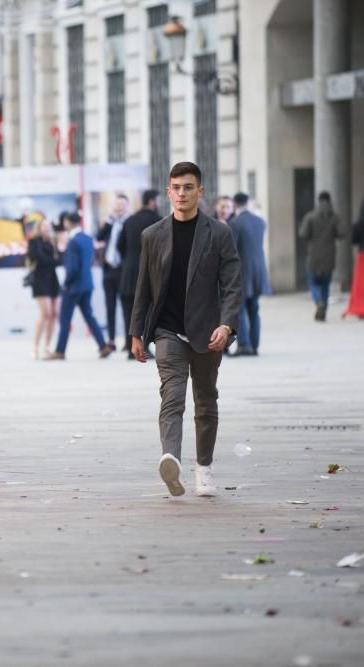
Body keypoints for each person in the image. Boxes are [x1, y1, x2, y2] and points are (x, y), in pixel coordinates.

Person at [130, 162, 242, 497]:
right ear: (168, 192)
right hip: (167, 330)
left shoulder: (219, 233)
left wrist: (227, 324)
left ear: (200, 192)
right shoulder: (152, 235)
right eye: (176, 188)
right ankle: (171, 460)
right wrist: (137, 332)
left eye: (188, 187)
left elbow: (233, 285)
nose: (182, 194)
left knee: (205, 401)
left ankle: (204, 468)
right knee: (172, 395)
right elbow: (143, 288)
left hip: (208, 331)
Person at [46, 213, 113, 360]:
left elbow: (73, 268)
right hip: (87, 284)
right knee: (89, 316)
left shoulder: (73, 242)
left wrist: (66, 283)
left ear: (68, 222)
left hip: (73, 287)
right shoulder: (88, 239)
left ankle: (60, 351)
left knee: (65, 319)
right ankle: (103, 346)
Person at [117, 189, 161, 360]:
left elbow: (120, 247)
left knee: (129, 312)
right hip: (149, 274)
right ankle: (145, 347)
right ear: (151, 201)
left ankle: (130, 348)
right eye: (157, 200)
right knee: (149, 312)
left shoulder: (128, 221)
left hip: (128, 274)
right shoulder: (158, 221)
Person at [228, 193, 272, 356]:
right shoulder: (260, 221)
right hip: (259, 271)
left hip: (242, 272)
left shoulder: (234, 223)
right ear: (247, 203)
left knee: (239, 310)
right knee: (254, 309)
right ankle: (255, 345)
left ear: (235, 204)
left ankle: (243, 345)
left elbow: (231, 250)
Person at [299, 192, 345, 321]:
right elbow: (342, 233)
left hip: (313, 256)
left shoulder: (310, 216)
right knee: (325, 285)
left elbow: (303, 234)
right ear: (330, 201)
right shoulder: (335, 217)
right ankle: (323, 311)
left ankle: (319, 302)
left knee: (313, 283)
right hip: (329, 257)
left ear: (318, 201)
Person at [96, 194, 130, 350]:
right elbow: (99, 237)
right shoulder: (110, 223)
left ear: (127, 206)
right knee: (110, 307)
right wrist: (109, 220)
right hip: (108, 270)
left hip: (123, 271)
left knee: (125, 307)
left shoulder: (130, 223)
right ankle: (111, 340)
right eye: (117, 206)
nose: (119, 208)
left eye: (122, 205)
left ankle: (127, 341)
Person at [26, 218, 60, 359]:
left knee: (54, 313)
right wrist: (52, 260)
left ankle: (47, 346)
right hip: (40, 280)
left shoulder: (53, 241)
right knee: (45, 313)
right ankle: (35, 346)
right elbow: (38, 257)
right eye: (44, 226)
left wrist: (53, 260)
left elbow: (59, 259)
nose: (47, 229)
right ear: (38, 228)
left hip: (53, 279)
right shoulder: (33, 242)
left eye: (48, 226)